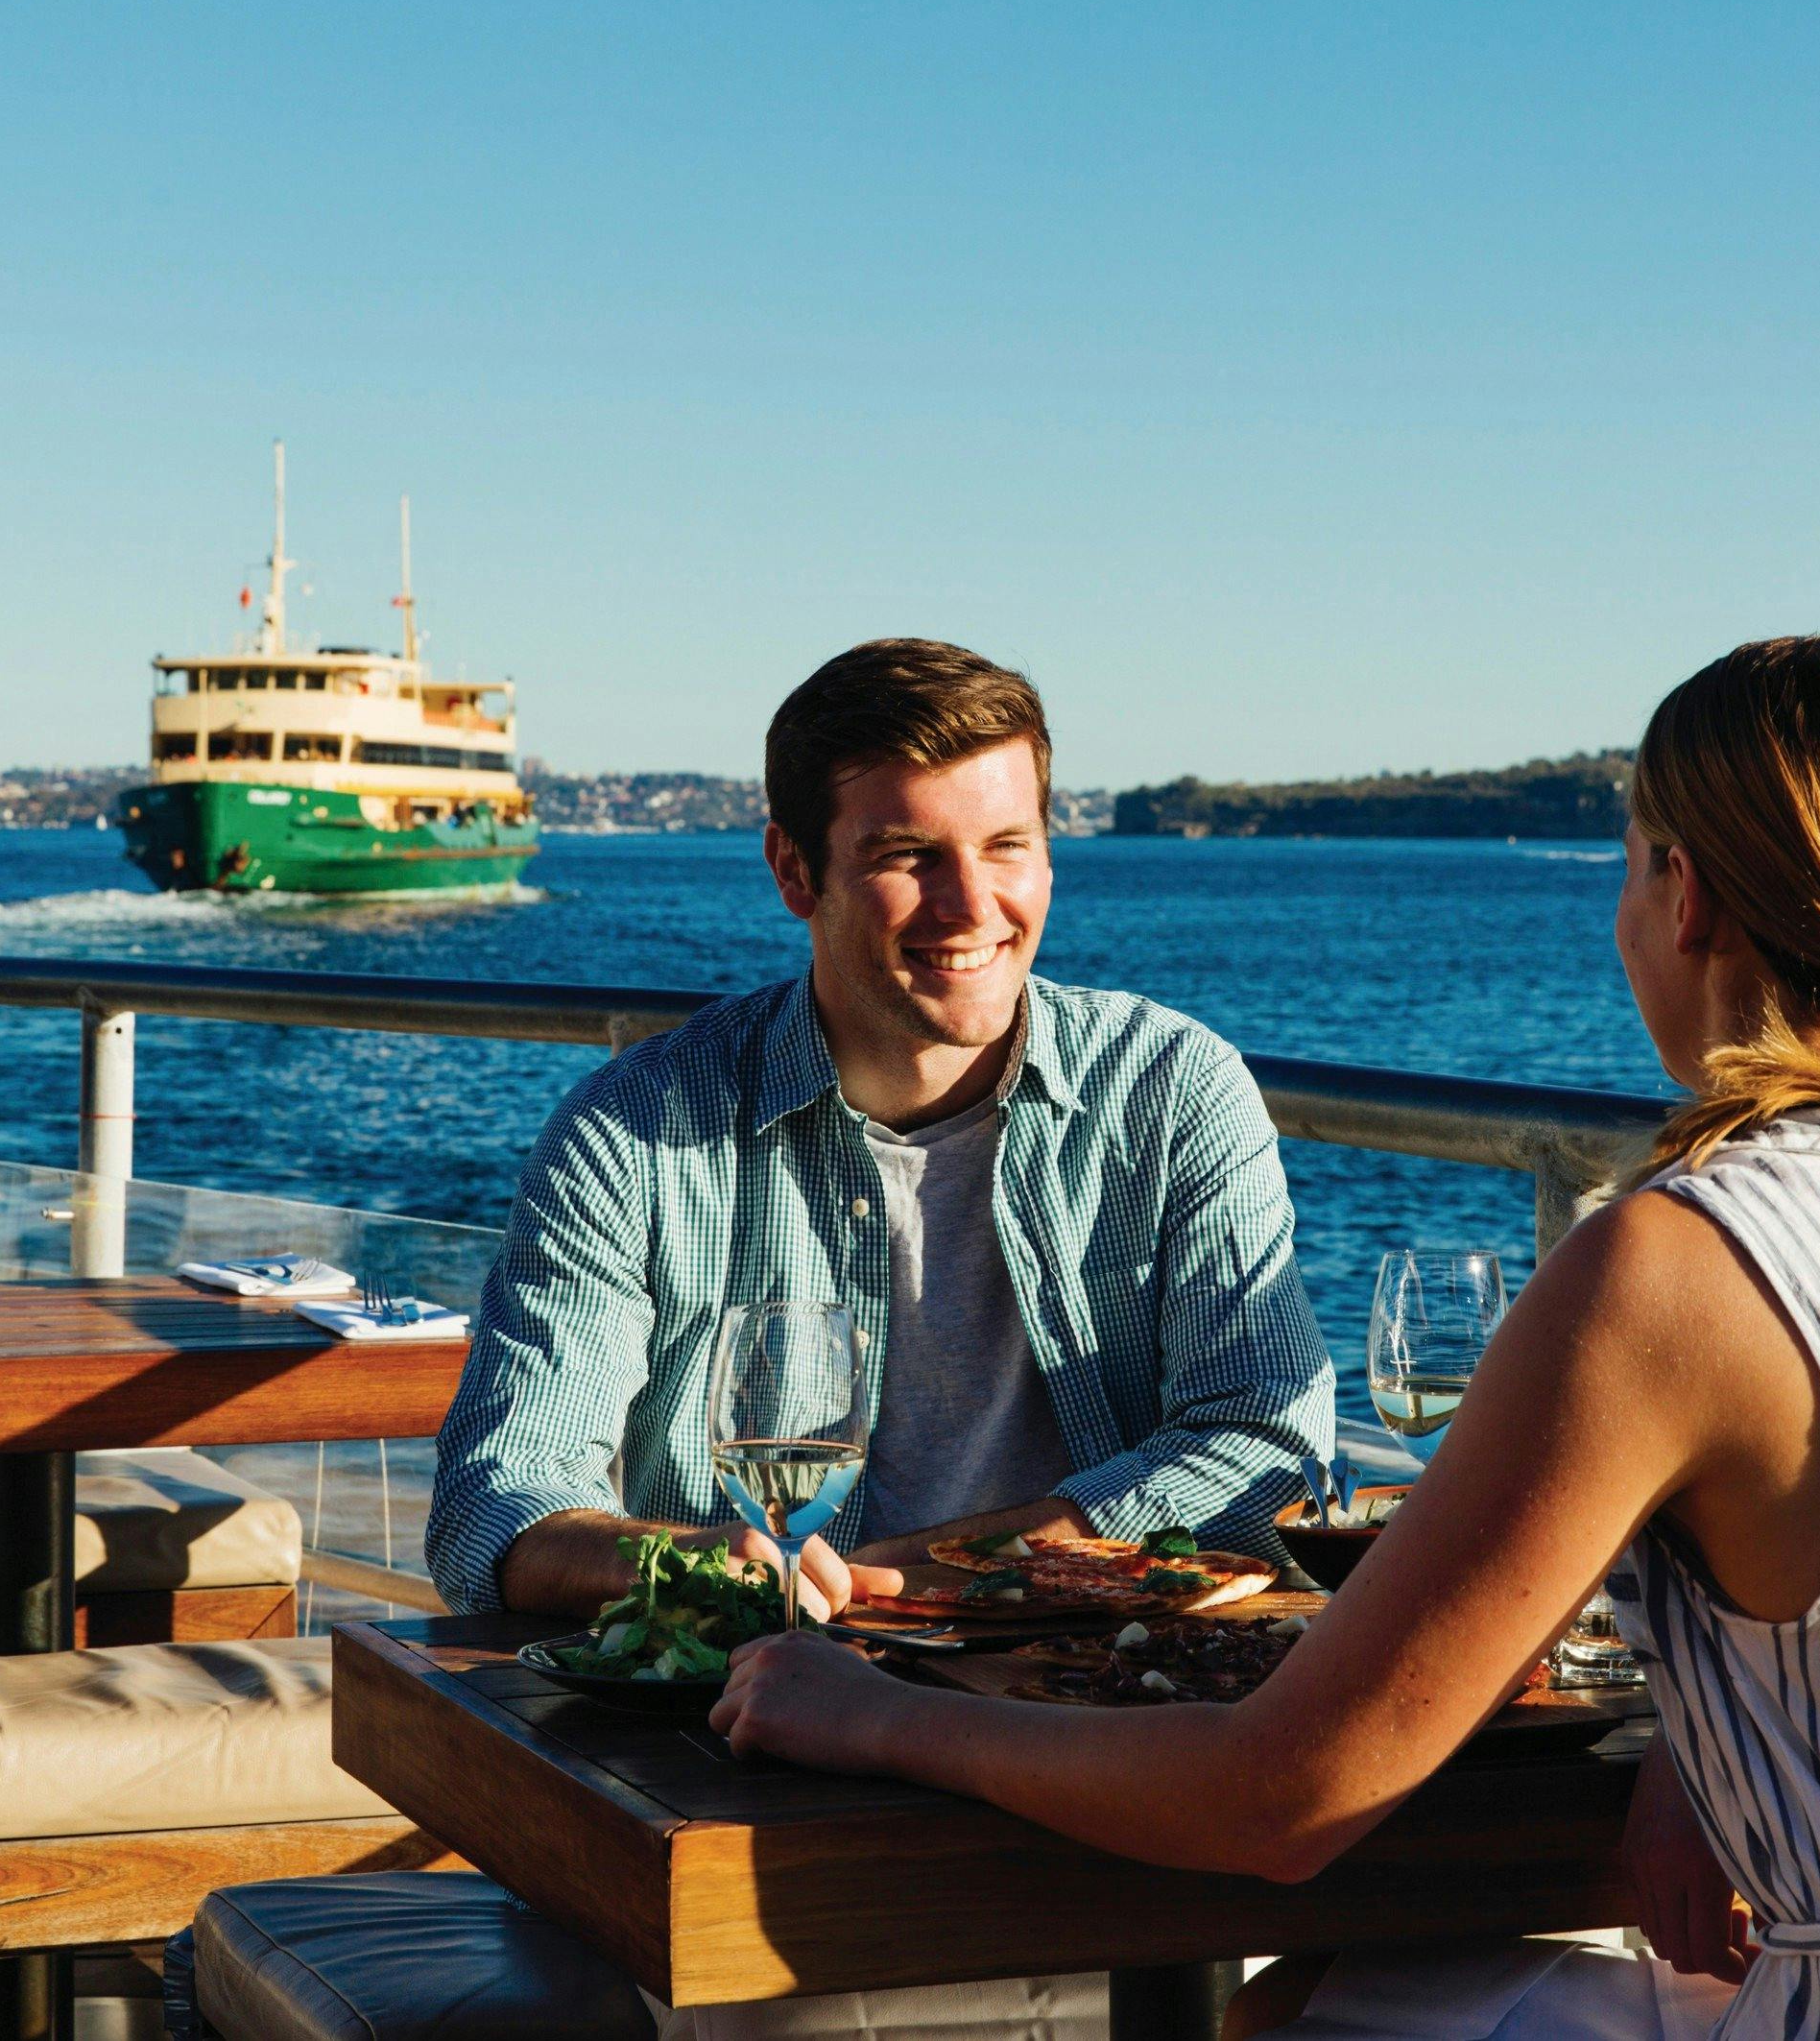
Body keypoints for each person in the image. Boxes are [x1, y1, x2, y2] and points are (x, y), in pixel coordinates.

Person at [712, 636, 1820, 2041]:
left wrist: (879, 1711)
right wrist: (1699, 1744)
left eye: (1628, 861)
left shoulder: (1679, 1259)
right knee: (1318, 1994)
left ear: (1678, 891)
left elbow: (1284, 1802)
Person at [427, 636, 1337, 1631]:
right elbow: (495, 1505)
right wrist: (686, 1561)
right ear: (793, 869)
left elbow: (1265, 1445)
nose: (969, 906)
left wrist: (917, 1575)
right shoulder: (634, 1132)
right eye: (907, 856)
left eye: (1007, 846)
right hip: (750, 1708)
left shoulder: (1169, 1089)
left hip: (1092, 1694)